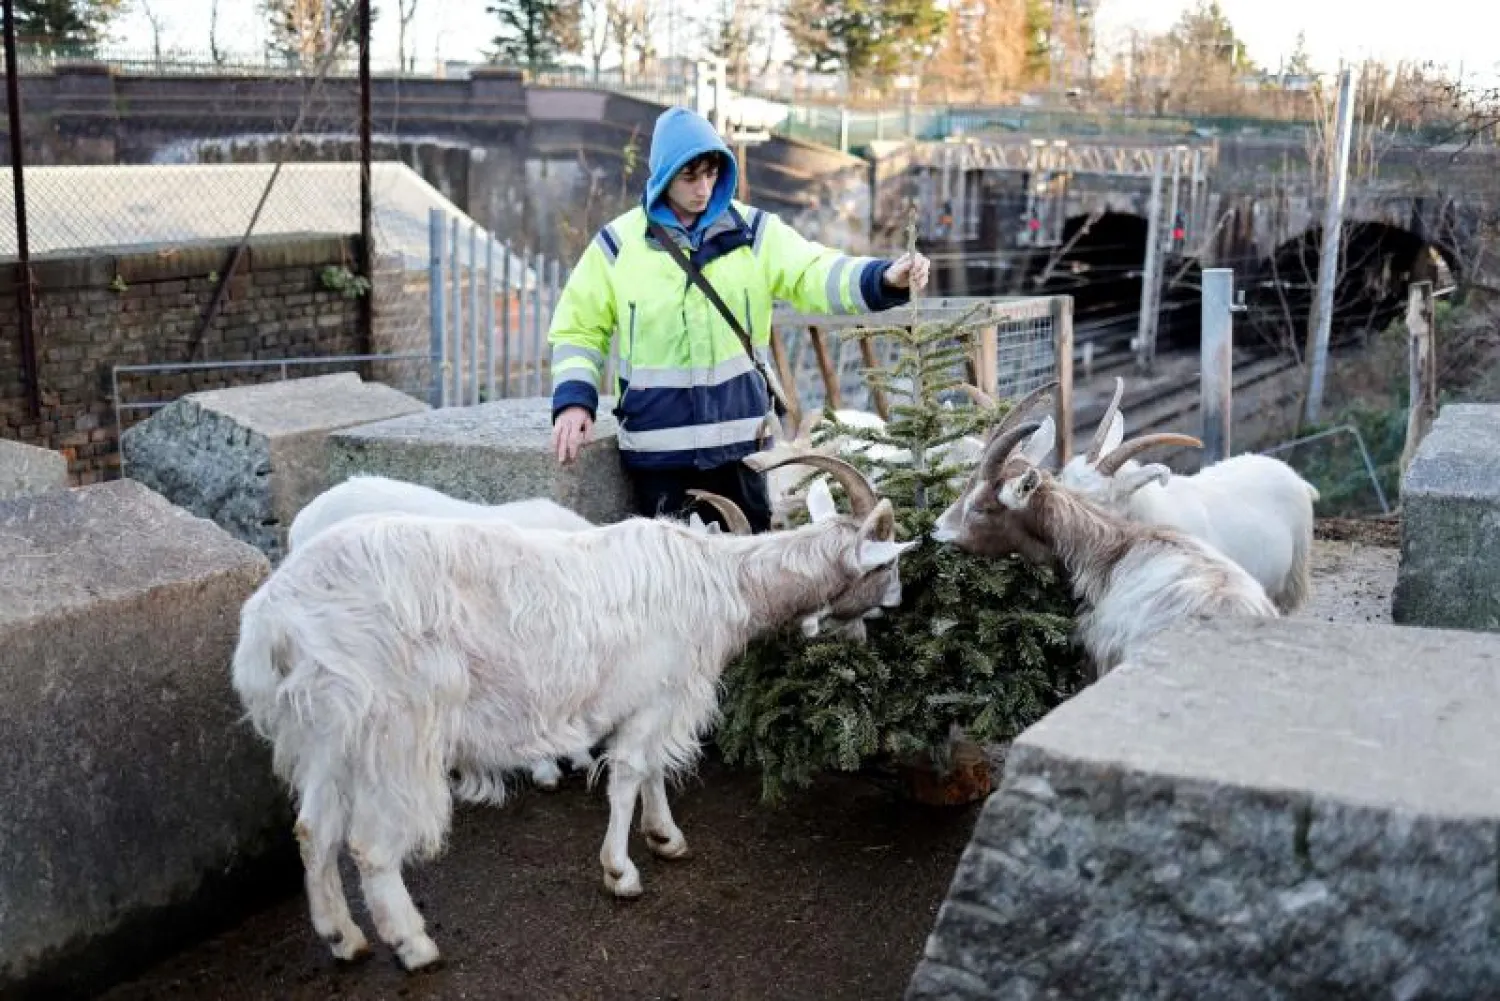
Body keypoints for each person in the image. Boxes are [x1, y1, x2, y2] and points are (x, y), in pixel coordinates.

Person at [547, 105, 930, 532]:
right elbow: (578, 327)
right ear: (662, 177)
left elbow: (815, 273)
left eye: (711, 174)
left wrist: (884, 278)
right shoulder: (618, 246)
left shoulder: (754, 233)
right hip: (659, 459)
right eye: (689, 177)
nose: (704, 189)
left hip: (742, 453)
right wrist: (574, 401)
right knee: (673, 587)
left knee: (751, 583)